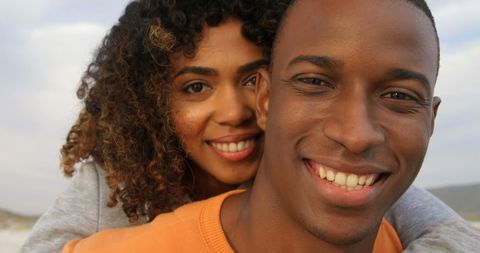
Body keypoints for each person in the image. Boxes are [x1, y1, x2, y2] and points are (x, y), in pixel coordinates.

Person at [24, 0, 479, 252]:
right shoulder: (118, 184)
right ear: (151, 104)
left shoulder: (332, 162)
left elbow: (448, 234)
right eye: (197, 87)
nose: (235, 111)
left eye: (250, 78)